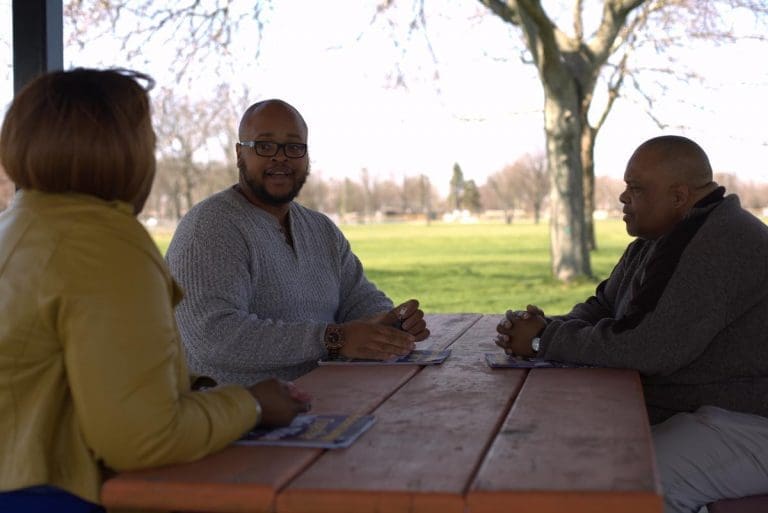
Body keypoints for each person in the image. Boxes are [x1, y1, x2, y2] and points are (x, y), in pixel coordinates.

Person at [0, 68, 311, 512]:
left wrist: (200, 392)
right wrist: (251, 405)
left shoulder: (18, 227)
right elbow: (142, 438)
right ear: (123, 153)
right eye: (148, 141)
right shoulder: (107, 245)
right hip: (51, 495)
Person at [494, 135, 768, 513]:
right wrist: (544, 326)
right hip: (701, 409)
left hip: (749, 422)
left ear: (678, 196)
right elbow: (603, 306)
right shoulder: (664, 236)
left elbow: (649, 349)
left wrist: (543, 340)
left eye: (635, 189)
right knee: (560, 451)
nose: (623, 198)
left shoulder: (722, 241)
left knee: (628, 488)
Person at [166, 99, 430, 385]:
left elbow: (359, 300)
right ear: (240, 154)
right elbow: (215, 336)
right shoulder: (210, 226)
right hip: (236, 418)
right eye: (264, 146)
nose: (281, 158)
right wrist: (334, 339)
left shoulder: (321, 229)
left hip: (328, 403)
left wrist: (390, 323)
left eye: (294, 147)